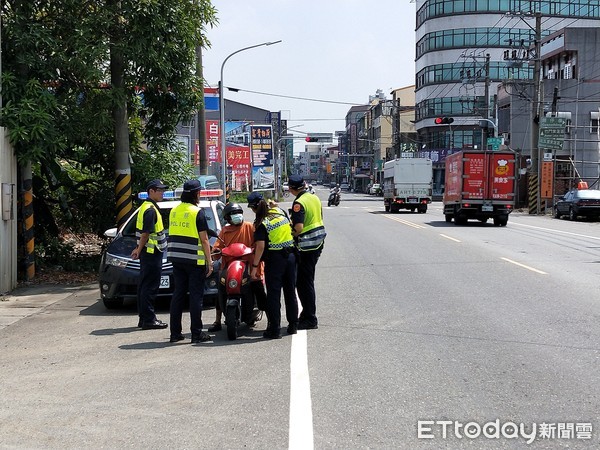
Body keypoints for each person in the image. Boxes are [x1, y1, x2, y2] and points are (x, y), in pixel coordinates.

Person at [166, 180, 213, 344]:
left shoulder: (174, 211)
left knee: (178, 294)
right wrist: (210, 261)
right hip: (194, 260)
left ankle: (175, 333)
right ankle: (196, 333)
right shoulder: (197, 212)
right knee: (195, 296)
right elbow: (204, 239)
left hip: (176, 259)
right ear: (196, 194)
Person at [208, 202, 266, 332]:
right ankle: (217, 320)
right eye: (233, 214)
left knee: (258, 288)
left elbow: (259, 244)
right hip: (229, 267)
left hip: (249, 266)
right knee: (220, 288)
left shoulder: (250, 227)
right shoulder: (224, 231)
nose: (237, 216)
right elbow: (217, 248)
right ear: (228, 218)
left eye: (238, 213)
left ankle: (269, 317)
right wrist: (216, 252)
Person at [247, 191, 298, 339]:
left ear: (254, 208)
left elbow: (261, 247)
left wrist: (255, 267)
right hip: (290, 257)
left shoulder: (262, 223)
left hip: (275, 261)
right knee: (290, 292)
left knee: (274, 296)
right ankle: (293, 325)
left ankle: (274, 329)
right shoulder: (280, 212)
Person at [288, 174, 326, 330]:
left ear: (291, 189)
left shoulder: (299, 203)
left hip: (307, 246)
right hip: (318, 242)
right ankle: (307, 313)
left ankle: (310, 318)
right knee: (307, 280)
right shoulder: (314, 197)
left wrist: (288, 235)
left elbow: (298, 228)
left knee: (304, 283)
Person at [131, 179, 169, 330]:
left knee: (144, 286)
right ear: (151, 192)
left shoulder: (147, 206)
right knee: (149, 288)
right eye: (159, 190)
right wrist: (138, 250)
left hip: (149, 253)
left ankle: (144, 319)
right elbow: (146, 233)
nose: (162, 193)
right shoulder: (150, 210)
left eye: (162, 190)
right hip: (152, 253)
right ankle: (149, 320)